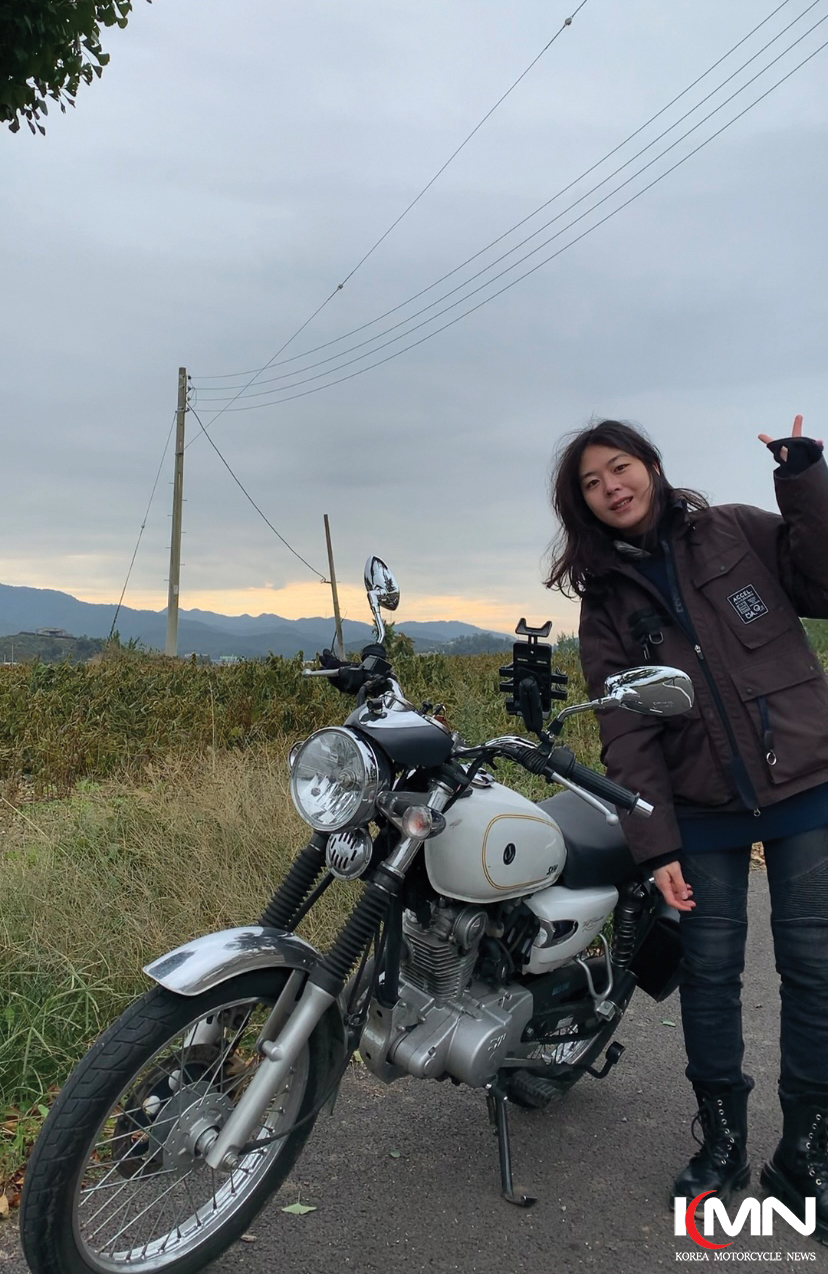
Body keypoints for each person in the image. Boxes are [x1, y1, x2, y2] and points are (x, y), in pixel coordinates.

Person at [545, 416, 828, 1236]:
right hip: (697, 811)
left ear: (652, 465)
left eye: (620, 467)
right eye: (592, 484)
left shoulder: (736, 530)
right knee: (709, 976)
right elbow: (625, 732)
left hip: (805, 781)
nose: (612, 488)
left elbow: (822, 583)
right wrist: (655, 842)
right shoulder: (606, 603)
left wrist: (803, 480)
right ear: (582, 505)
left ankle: (805, 1152)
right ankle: (724, 1144)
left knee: (815, 970)